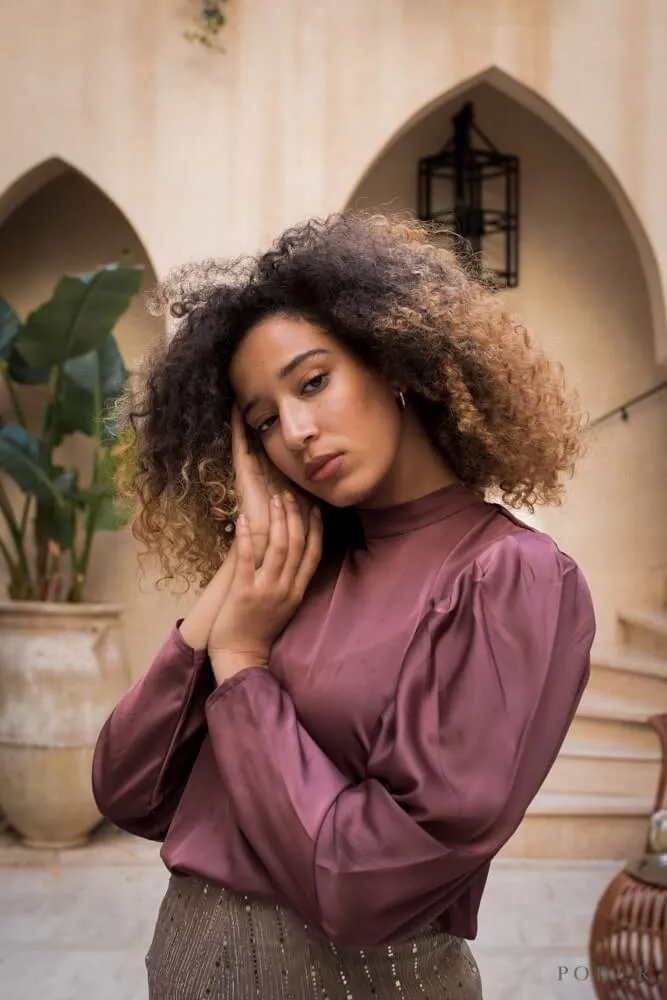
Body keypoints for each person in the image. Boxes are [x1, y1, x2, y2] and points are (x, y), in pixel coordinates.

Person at [92, 213, 596, 999]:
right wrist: (237, 573)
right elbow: (128, 789)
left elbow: (360, 883)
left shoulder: (509, 578)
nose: (294, 430)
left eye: (313, 381)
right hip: (187, 962)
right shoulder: (291, 566)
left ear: (391, 360)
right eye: (260, 421)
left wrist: (244, 665)